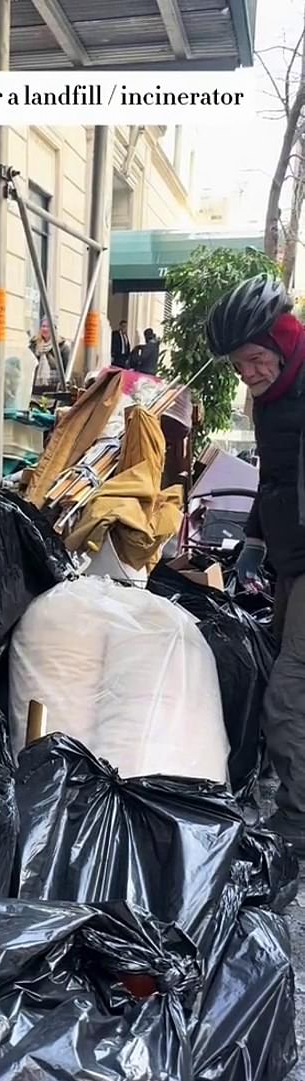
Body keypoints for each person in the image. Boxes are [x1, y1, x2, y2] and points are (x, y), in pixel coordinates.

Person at [206, 273, 305, 852]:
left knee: (290, 687)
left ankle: (298, 816)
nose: (248, 375)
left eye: (253, 360)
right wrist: (256, 541)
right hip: (292, 557)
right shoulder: (272, 400)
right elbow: (274, 477)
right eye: (239, 368)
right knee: (271, 660)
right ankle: (277, 771)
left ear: (280, 338)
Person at [29, 316, 70, 395]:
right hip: (36, 388)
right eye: (43, 326)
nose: (45, 329)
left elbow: (66, 369)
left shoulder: (62, 346)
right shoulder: (34, 345)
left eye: (48, 326)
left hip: (54, 389)